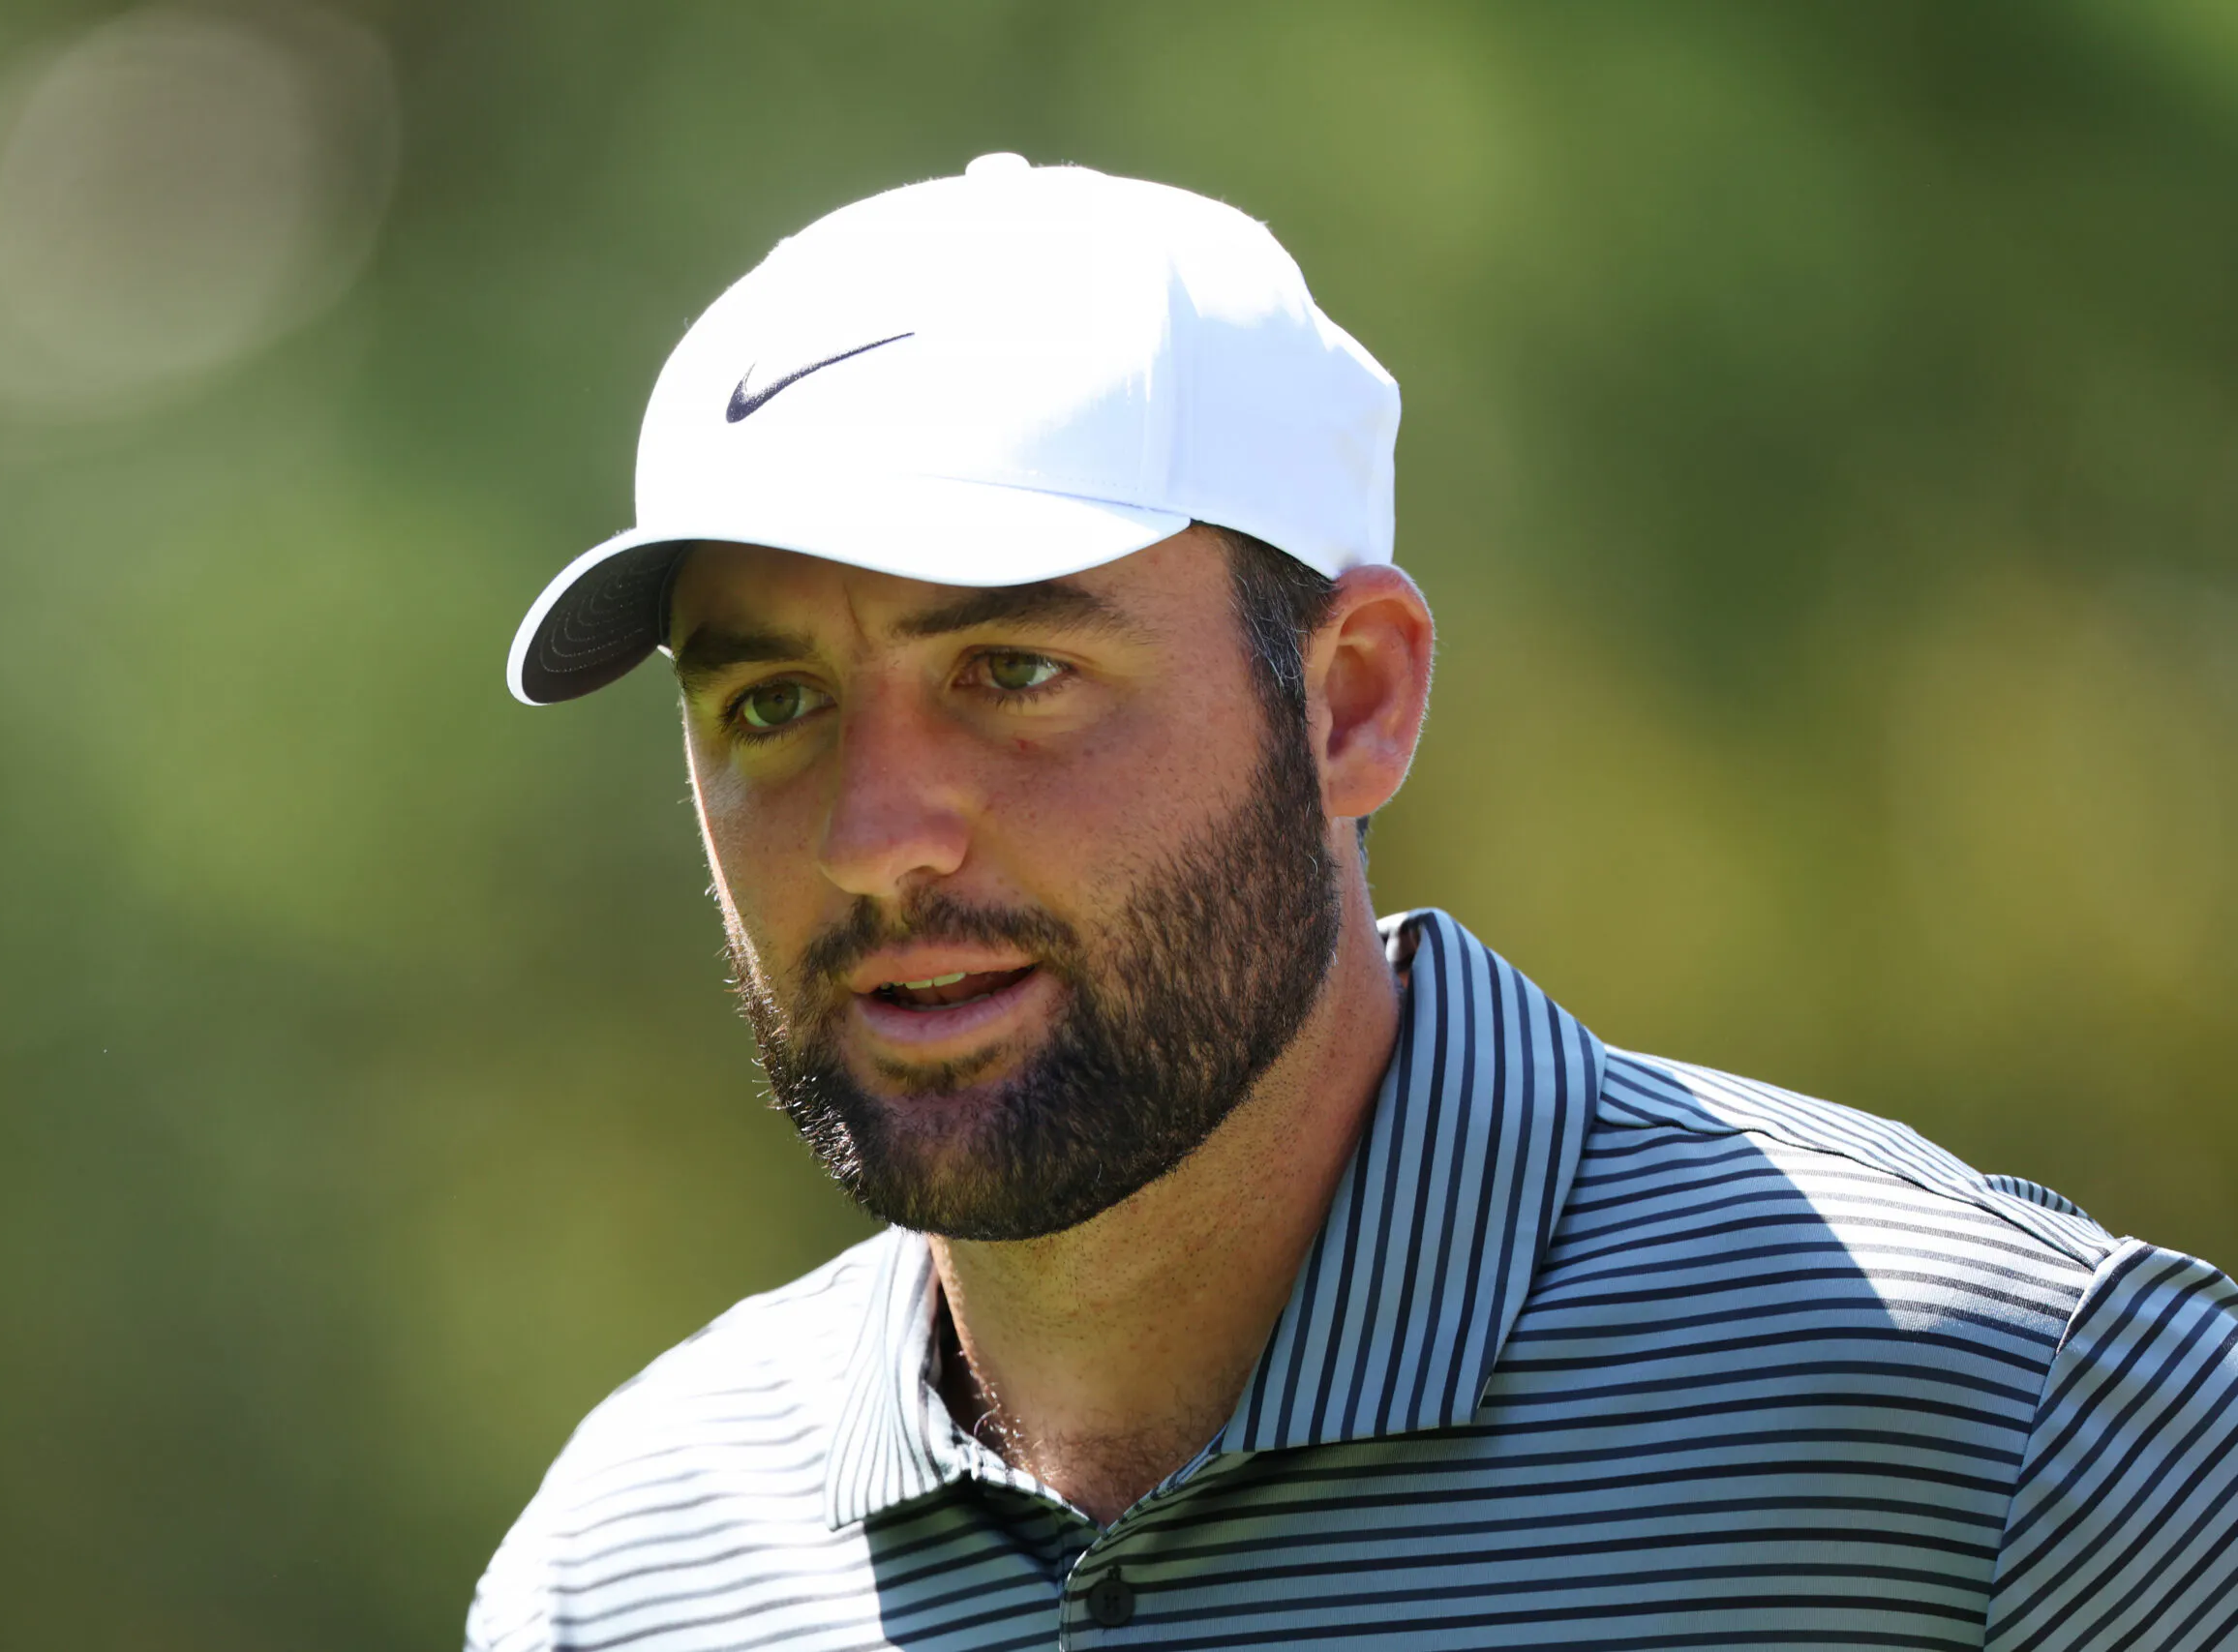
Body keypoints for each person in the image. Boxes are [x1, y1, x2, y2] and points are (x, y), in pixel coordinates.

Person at [467, 156, 2238, 1650]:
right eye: (771, 702)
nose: (875, 837)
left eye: (1013, 670)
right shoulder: (622, 1571)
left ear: (1352, 702)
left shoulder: (2028, 1440)